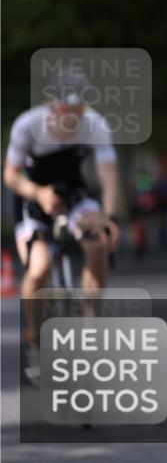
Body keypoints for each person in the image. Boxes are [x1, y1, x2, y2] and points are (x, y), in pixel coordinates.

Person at [3, 71, 120, 382]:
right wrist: (38, 194)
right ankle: (37, 341)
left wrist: (109, 217)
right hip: (34, 195)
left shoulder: (95, 124)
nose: (71, 120)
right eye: (64, 113)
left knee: (96, 243)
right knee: (38, 268)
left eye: (77, 113)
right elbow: (11, 176)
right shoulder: (28, 125)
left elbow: (108, 176)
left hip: (73, 191)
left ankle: (91, 326)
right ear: (51, 108)